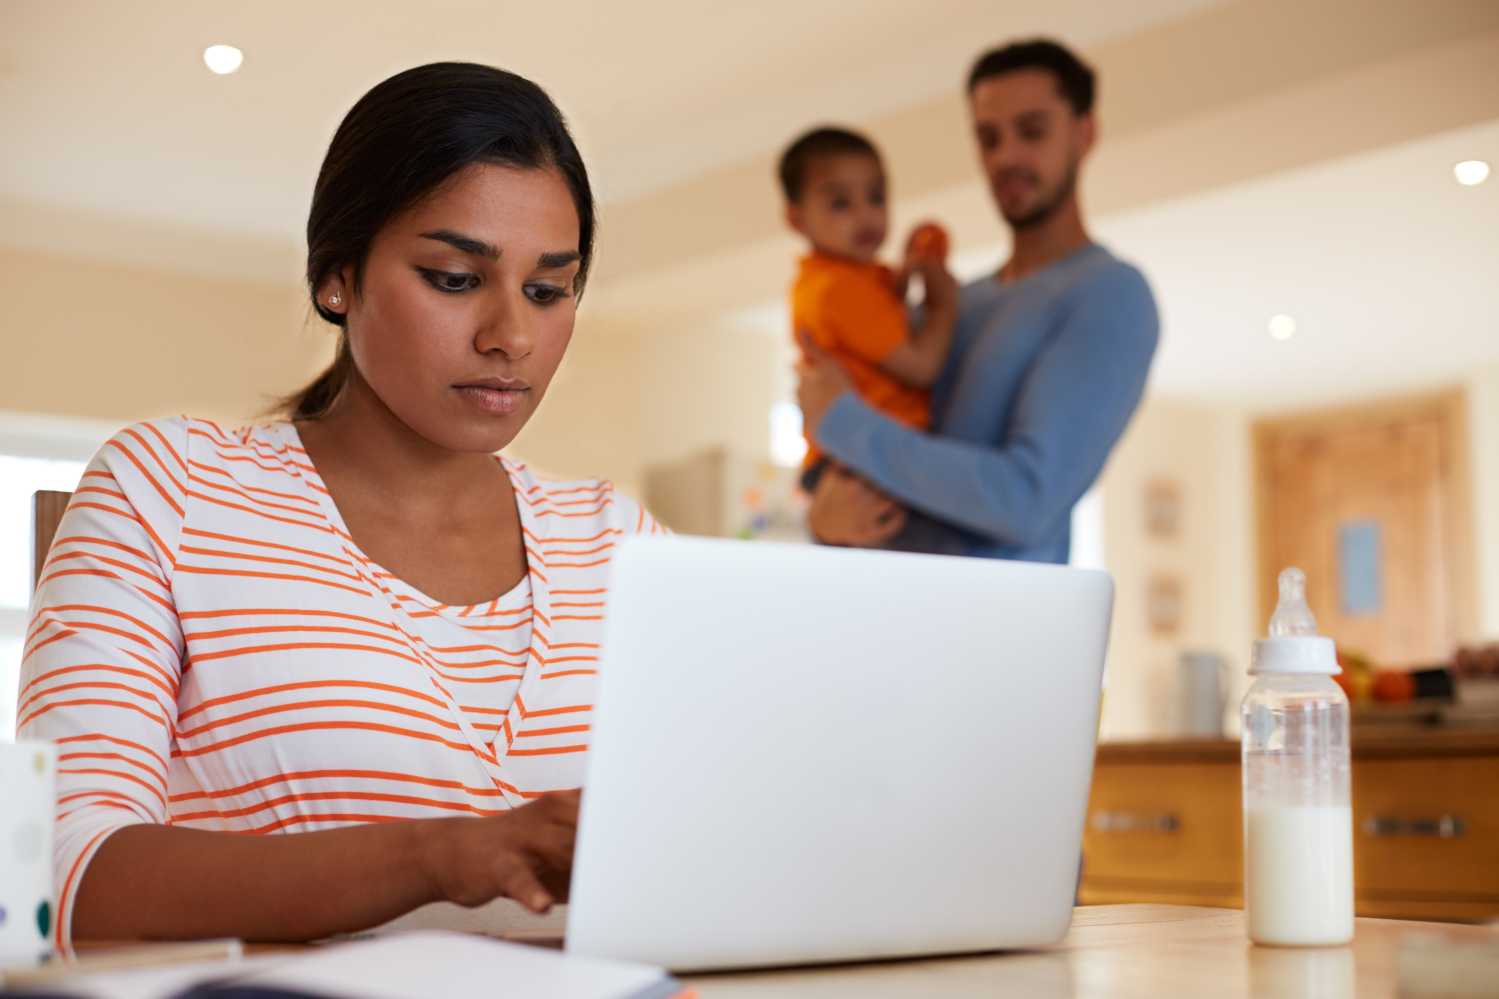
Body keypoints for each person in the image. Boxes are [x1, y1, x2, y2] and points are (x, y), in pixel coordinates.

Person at [17, 62, 663, 949]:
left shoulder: (621, 540)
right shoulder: (168, 488)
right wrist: (437, 857)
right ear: (338, 278)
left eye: (549, 290)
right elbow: (60, 879)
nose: (510, 335)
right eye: (452, 276)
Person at [796, 39, 1160, 563]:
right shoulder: (947, 309)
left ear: (1085, 133)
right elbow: (859, 467)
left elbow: (1025, 500)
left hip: (997, 636)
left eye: (1031, 131)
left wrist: (843, 422)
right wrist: (821, 516)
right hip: (884, 621)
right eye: (989, 138)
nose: (1006, 156)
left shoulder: (1109, 294)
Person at [776, 126, 958, 482]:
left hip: (847, 454)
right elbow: (921, 366)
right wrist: (943, 304)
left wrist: (906, 276)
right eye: (840, 203)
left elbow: (882, 324)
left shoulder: (841, 279)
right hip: (858, 464)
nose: (865, 215)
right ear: (796, 219)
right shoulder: (838, 290)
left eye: (876, 197)